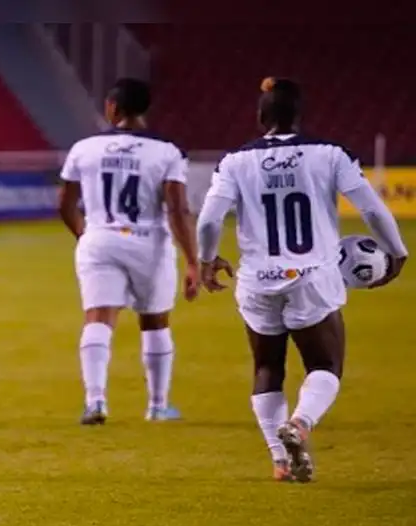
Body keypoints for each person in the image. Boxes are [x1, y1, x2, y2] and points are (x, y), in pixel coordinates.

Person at [196, 77, 408, 482]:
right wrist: (397, 251)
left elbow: (208, 221)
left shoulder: (234, 162)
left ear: (260, 117)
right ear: (299, 116)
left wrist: (207, 259)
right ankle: (300, 423)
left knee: (266, 367)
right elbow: (372, 209)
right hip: (311, 277)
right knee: (325, 364)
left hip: (257, 280)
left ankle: (279, 461)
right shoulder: (330, 154)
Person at [58, 78, 199, 426]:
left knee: (98, 317)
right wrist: (193, 260)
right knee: (154, 321)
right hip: (148, 242)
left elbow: (65, 203)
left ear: (113, 107)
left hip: (99, 238)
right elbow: (177, 208)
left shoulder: (84, 148)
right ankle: (157, 407)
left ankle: (95, 401)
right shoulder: (167, 151)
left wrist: (85, 234)